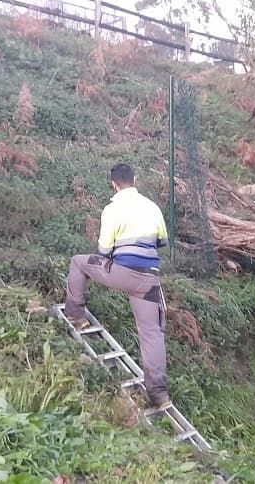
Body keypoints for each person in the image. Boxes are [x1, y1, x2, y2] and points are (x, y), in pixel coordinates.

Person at [64, 163, 171, 409]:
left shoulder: (112, 209)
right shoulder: (152, 207)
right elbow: (161, 241)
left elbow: (103, 250)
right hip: (149, 281)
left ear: (113, 184)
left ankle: (76, 316)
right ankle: (159, 394)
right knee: (152, 334)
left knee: (78, 262)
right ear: (135, 179)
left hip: (121, 272)